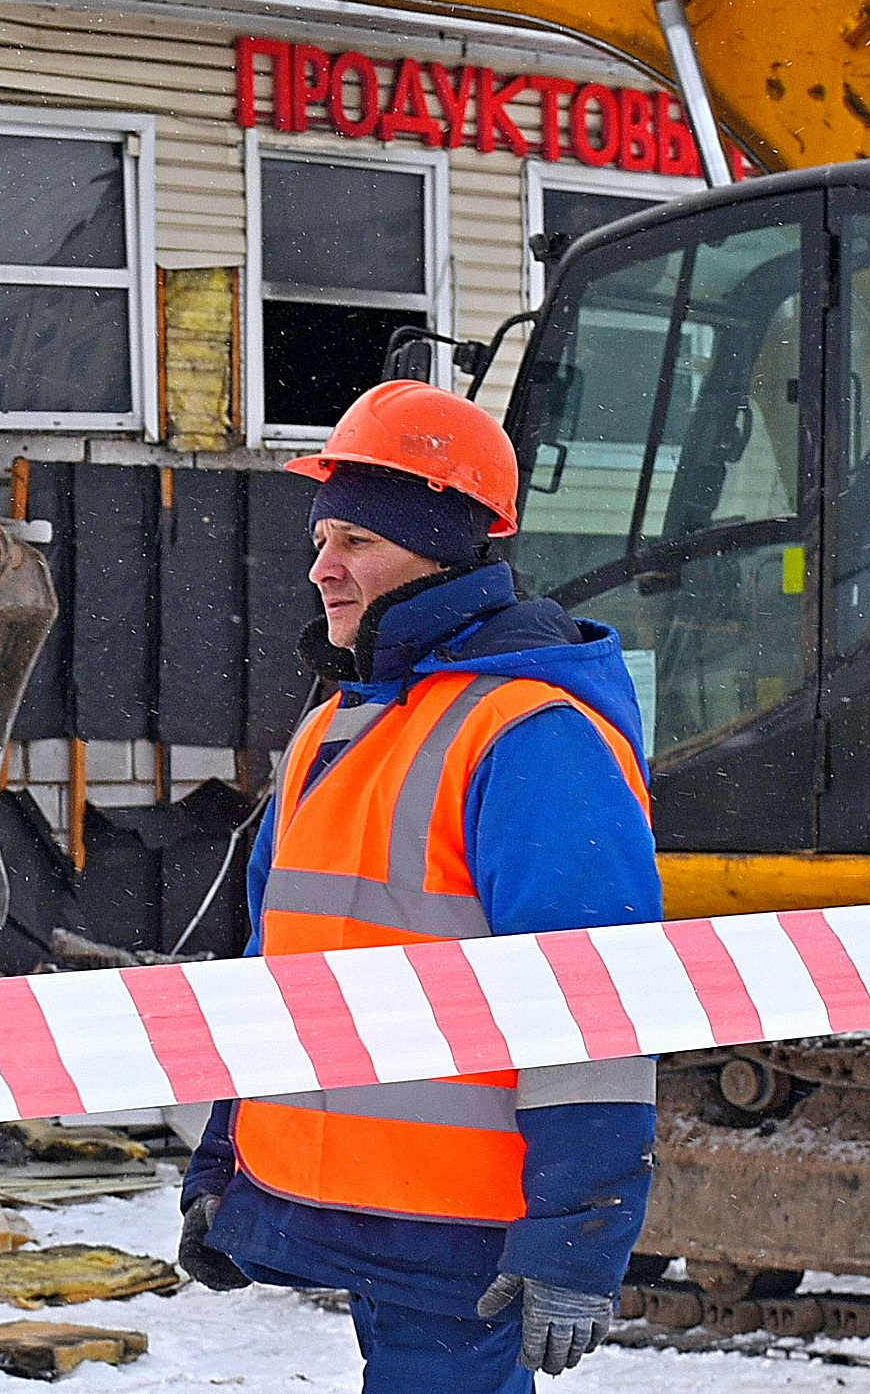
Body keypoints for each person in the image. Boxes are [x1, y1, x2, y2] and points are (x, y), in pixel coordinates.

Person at [177, 379, 662, 1393]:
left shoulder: (534, 735)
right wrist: (224, 1158)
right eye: (321, 540)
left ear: (436, 548)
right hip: (364, 1208)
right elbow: (277, 971)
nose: (322, 569)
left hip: (467, 1232)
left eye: (353, 540)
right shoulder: (334, 727)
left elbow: (592, 1006)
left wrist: (578, 1235)